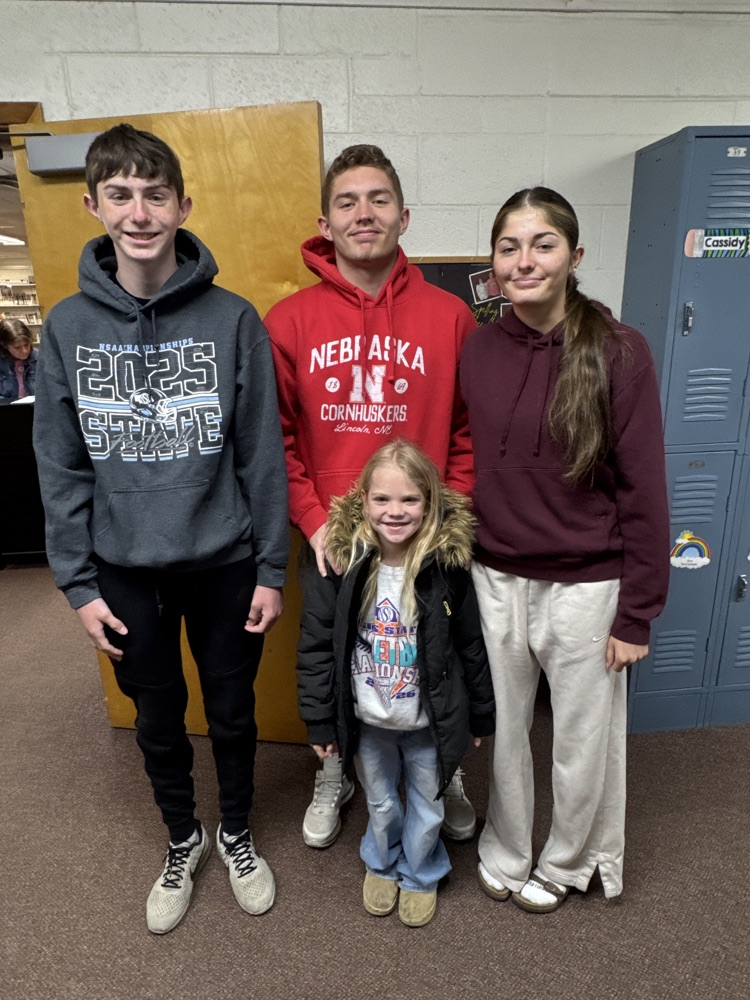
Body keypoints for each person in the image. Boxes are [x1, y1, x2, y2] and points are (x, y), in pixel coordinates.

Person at [32, 124, 289, 934]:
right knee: (155, 714)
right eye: (120, 194)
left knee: (233, 710)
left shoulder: (234, 318)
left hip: (224, 562)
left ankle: (237, 833)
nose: (138, 212)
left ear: (182, 204)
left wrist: (272, 567)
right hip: (122, 569)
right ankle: (184, 839)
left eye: (154, 194)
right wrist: (76, 583)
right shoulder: (69, 328)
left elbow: (260, 453)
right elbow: (62, 464)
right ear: (94, 204)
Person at [461, 187, 670, 913]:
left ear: (574, 257)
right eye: (509, 246)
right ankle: (507, 847)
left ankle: (569, 859)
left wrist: (637, 612)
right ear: (493, 261)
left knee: (581, 740)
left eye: (542, 244)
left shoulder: (619, 351)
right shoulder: (479, 346)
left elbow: (645, 488)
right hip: (496, 576)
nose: (525, 261)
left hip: (586, 585)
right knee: (508, 730)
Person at [265, 144, 478, 849]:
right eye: (349, 201)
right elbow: (280, 440)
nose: (365, 213)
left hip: (426, 531)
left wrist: (451, 517)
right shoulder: (289, 320)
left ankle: (442, 770)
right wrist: (311, 518)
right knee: (334, 655)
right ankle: (335, 772)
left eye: (379, 199)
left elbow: (466, 431)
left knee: (433, 654)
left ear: (404, 215)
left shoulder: (450, 317)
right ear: (324, 220)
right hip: (335, 531)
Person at [296, 440, 495, 926]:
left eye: (410, 499)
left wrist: (481, 713)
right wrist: (320, 722)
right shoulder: (341, 565)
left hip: (427, 720)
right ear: (362, 499)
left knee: (428, 805)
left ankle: (422, 872)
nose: (395, 511)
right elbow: (317, 647)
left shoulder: (448, 567)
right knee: (381, 802)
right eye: (382, 499)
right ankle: (381, 862)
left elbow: (472, 645)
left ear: (429, 502)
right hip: (369, 722)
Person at [0, 317, 37, 401]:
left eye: (26, 344)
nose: (24, 351)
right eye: (17, 347)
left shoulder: (39, 358)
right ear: (4, 345)